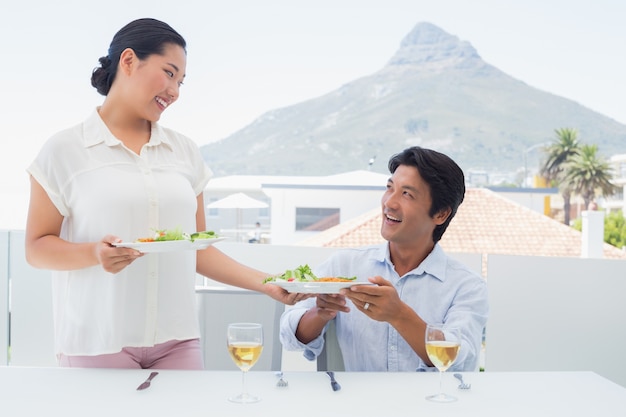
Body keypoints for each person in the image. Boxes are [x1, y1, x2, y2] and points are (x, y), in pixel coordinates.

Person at [24, 18, 302, 370]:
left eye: (181, 81)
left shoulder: (184, 152)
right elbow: (36, 248)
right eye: (169, 73)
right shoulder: (64, 149)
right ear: (128, 61)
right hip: (98, 340)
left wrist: (269, 284)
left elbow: (198, 250)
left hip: (177, 340)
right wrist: (94, 253)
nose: (175, 91)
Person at [279, 146, 489, 372]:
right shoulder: (345, 265)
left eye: (407, 194)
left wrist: (400, 315)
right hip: (360, 405)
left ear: (441, 214)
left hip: (431, 405)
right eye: (390, 188)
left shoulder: (466, 286)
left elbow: (461, 361)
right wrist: (319, 314)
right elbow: (289, 335)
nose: (390, 202)